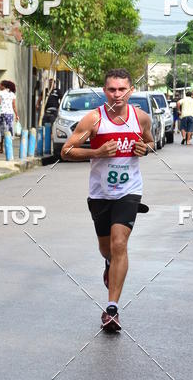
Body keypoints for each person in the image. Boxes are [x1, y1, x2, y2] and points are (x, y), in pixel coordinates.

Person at [61, 68, 154, 333]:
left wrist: (144, 149)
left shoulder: (141, 118)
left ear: (130, 91)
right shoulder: (93, 120)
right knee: (107, 250)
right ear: (105, 91)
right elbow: (66, 151)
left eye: (122, 89)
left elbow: (151, 142)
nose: (117, 94)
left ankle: (112, 309)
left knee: (119, 243)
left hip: (129, 191)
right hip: (100, 193)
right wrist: (97, 152)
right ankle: (109, 264)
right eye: (112, 89)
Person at [0, 80, 18, 153]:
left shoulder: (0, 93)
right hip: (10, 114)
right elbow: (14, 106)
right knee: (9, 130)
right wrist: (17, 115)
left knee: (1, 131)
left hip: (2, 114)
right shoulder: (12, 94)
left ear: (3, 86)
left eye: (0, 85)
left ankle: (1, 148)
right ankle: (9, 148)